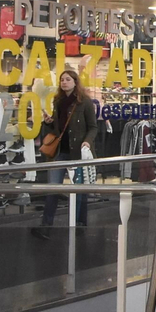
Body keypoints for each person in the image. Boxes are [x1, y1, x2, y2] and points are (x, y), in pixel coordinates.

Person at [32, 69, 99, 239]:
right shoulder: (58, 101)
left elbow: (93, 126)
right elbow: (59, 128)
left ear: (75, 82)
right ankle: (46, 225)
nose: (64, 82)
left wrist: (87, 142)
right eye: (62, 79)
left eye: (68, 79)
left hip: (78, 152)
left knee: (80, 190)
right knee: (53, 188)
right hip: (60, 151)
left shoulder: (84, 102)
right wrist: (50, 122)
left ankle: (79, 225)